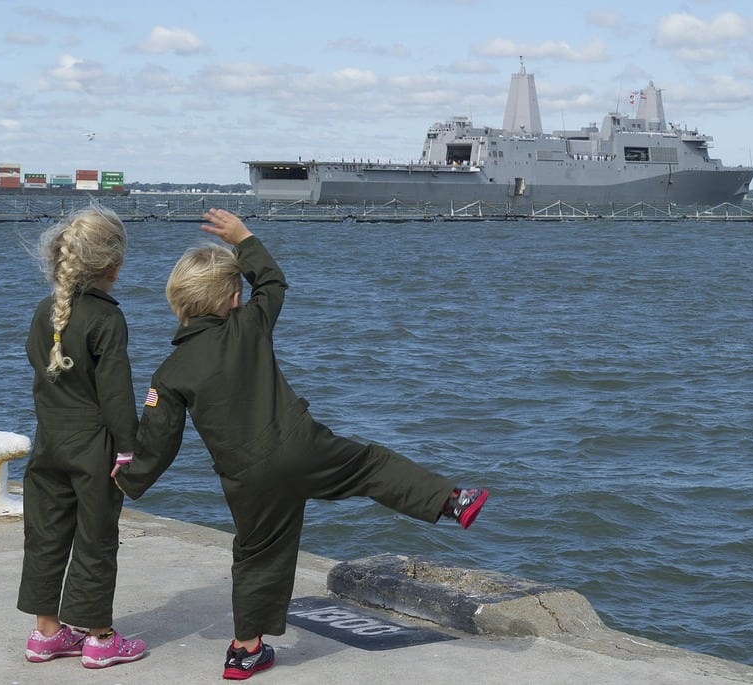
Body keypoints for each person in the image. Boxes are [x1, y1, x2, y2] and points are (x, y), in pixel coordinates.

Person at [115, 208, 489, 681]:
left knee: (256, 553)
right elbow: (272, 283)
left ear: (179, 302)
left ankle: (245, 651)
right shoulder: (250, 324)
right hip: (301, 447)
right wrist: (245, 238)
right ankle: (453, 502)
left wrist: (128, 480)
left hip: (246, 478)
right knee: (371, 465)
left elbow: (158, 443)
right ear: (233, 297)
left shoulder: (170, 373)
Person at [18, 204, 146, 669]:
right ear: (114, 266)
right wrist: (129, 449)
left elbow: (42, 376)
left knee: (46, 536)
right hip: (95, 447)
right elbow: (116, 394)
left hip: (49, 441)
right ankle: (99, 638)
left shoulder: (44, 312)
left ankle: (47, 633)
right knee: (95, 540)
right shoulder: (106, 319)